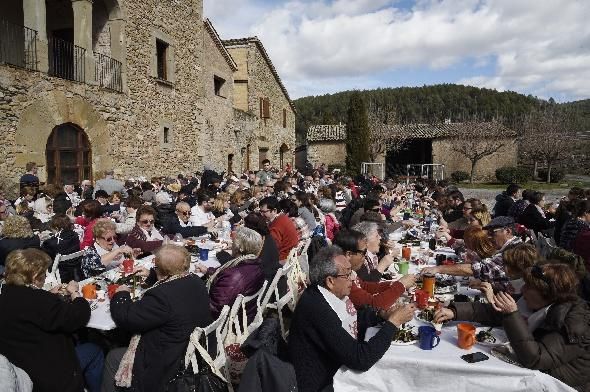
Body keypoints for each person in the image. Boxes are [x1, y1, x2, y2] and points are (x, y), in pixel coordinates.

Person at [434, 263, 590, 391]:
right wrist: (454, 311)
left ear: (547, 293)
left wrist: (512, 315)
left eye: (528, 287)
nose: (522, 290)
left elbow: (536, 359)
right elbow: (495, 311)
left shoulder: (575, 323)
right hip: (528, 370)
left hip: (557, 384)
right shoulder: (538, 302)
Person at [288, 246, 415, 392]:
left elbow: (351, 317)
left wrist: (380, 315)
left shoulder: (329, 294)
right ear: (330, 281)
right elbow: (360, 359)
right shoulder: (317, 307)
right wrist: (393, 323)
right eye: (347, 274)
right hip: (323, 383)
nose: (353, 278)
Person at [102, 245, 212, 392]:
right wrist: (152, 275)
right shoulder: (196, 281)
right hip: (191, 349)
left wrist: (121, 295)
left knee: (113, 356)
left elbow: (126, 318)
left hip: (168, 362)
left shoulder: (161, 297)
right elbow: (173, 281)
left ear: (160, 269)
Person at [0, 249, 104, 392]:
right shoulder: (40, 301)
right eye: (44, 274)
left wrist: (48, 295)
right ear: (35, 277)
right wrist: (75, 293)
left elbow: (27, 310)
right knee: (95, 350)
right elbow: (78, 317)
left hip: (21, 368)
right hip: (53, 375)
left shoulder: (5, 295)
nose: (44, 277)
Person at [334, 229, 416, 309]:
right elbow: (374, 305)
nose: (366, 256)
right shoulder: (342, 279)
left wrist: (393, 284)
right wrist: (401, 285)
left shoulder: (349, 271)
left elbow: (364, 286)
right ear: (349, 255)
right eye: (364, 252)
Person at [207, 227, 265, 321]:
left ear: (240, 248)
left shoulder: (234, 276)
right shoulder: (255, 265)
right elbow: (229, 283)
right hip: (247, 313)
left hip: (232, 323)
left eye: (233, 242)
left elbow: (216, 308)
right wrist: (208, 271)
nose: (231, 245)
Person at [42, 214, 82, 282]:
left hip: (60, 271)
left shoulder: (50, 243)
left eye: (52, 229)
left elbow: (44, 258)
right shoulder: (75, 235)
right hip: (74, 267)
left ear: (57, 228)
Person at [259, 196, 299, 262]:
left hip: (283, 259)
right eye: (260, 211)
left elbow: (271, 248)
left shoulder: (277, 225)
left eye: (264, 212)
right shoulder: (283, 217)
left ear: (274, 211)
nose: (261, 214)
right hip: (290, 256)